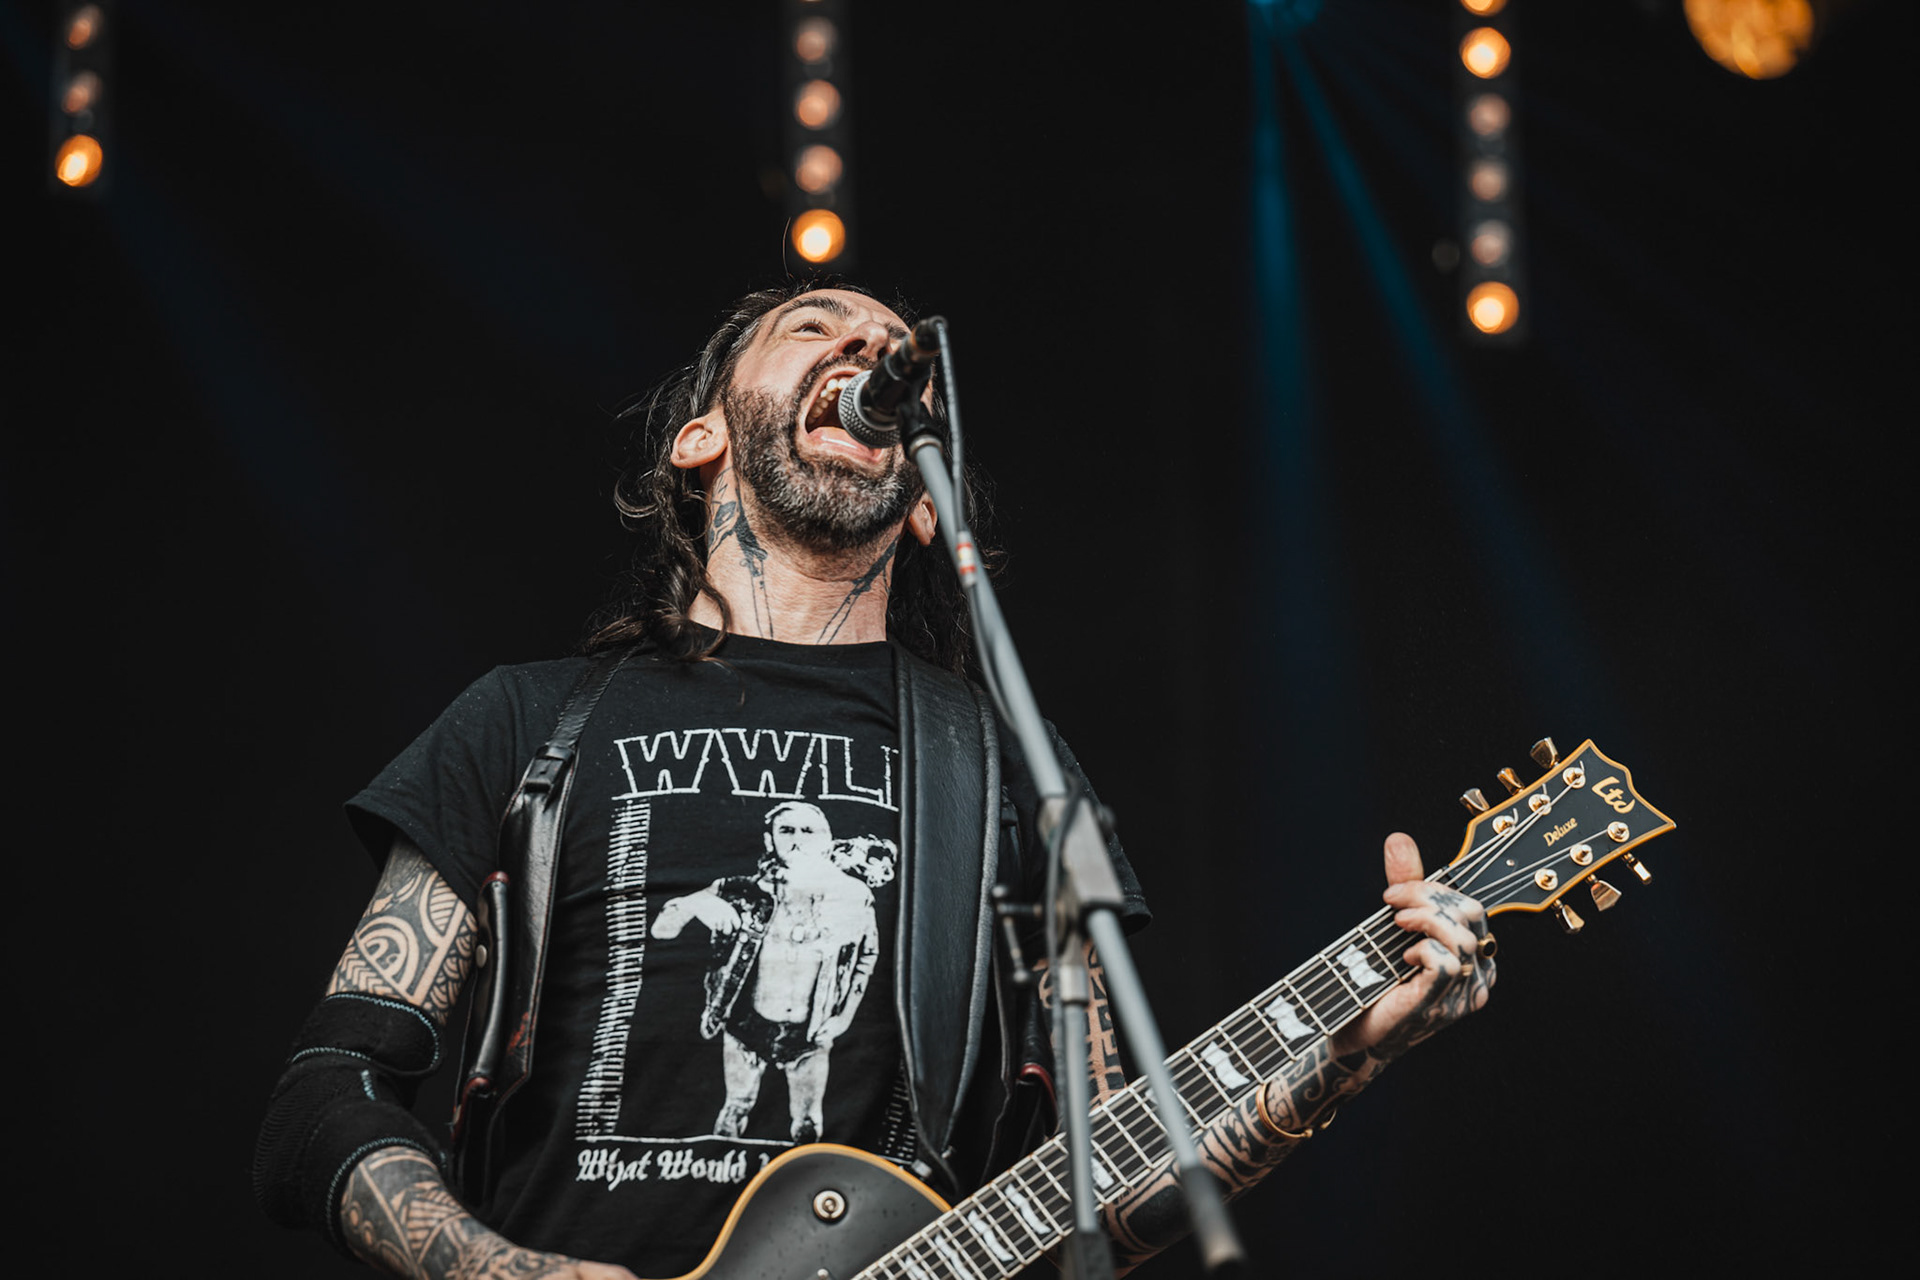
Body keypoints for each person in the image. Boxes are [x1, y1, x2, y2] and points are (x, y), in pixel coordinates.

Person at [254, 282, 1496, 1279]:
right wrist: (493, 1269)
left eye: (897, 349)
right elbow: (327, 1094)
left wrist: (1347, 1052)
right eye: (816, 327)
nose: (868, 348)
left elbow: (1104, 1189)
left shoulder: (1005, 764)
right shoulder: (529, 721)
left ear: (920, 501)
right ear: (701, 436)